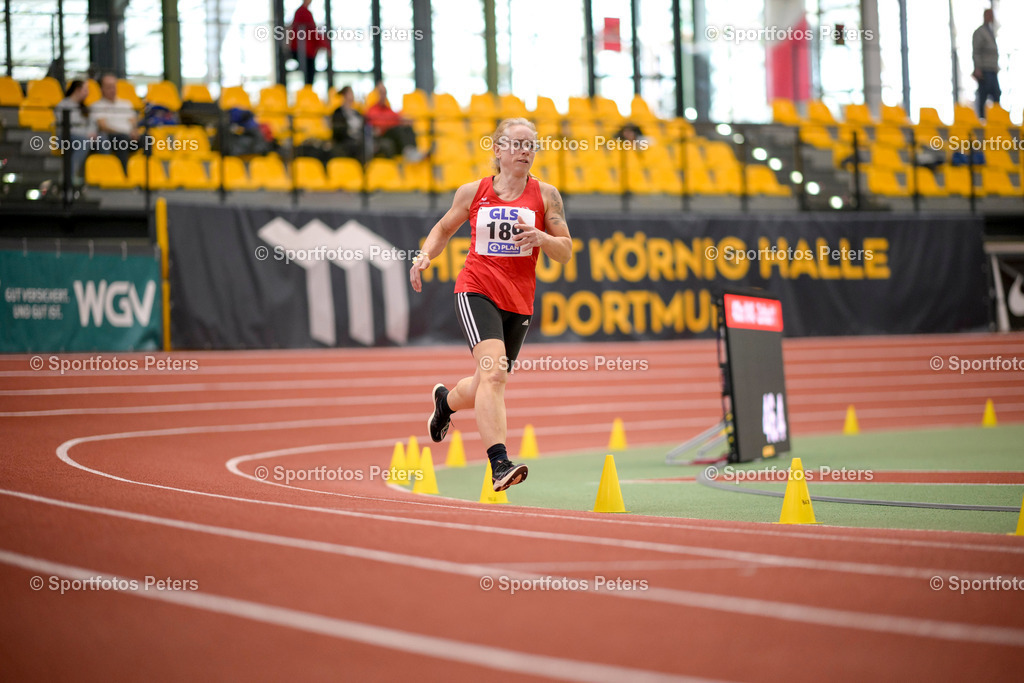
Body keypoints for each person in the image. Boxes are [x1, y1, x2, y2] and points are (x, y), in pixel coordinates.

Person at [410, 118, 573, 492]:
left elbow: (565, 252)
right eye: (516, 144)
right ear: (497, 149)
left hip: (519, 300)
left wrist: (541, 237)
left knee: (486, 381)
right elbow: (443, 229)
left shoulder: (547, 196)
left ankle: (445, 404)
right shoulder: (473, 192)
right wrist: (424, 257)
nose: (524, 152)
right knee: (495, 373)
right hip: (476, 288)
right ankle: (500, 463)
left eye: (530, 145)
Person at [364, 82, 427, 162]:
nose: (383, 95)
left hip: (393, 135)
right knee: (398, 129)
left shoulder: (388, 109)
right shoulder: (372, 110)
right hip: (382, 136)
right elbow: (376, 124)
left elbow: (397, 117)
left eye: (385, 93)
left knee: (407, 128)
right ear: (376, 94)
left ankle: (412, 151)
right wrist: (391, 122)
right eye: (381, 93)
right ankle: (409, 152)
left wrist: (404, 120)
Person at [90, 73, 139, 170]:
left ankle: (145, 175)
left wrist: (134, 131)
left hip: (129, 136)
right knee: (122, 139)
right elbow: (103, 126)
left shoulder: (125, 104)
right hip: (111, 137)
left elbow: (133, 122)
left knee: (147, 139)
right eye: (108, 87)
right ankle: (122, 174)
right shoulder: (97, 106)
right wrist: (124, 133)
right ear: (101, 89)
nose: (112, 90)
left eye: (114, 86)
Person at [54, 80, 96, 185]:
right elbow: (67, 127)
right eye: (85, 90)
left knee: (103, 139)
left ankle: (101, 175)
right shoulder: (63, 105)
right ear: (77, 90)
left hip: (83, 137)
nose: (87, 93)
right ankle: (69, 175)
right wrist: (86, 135)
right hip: (64, 137)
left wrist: (91, 132)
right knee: (84, 142)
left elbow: (92, 124)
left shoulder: (85, 108)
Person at [289, 0, 330, 87]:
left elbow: (313, 32)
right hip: (304, 50)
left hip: (304, 49)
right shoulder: (303, 12)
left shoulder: (301, 12)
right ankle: (307, 91)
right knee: (309, 74)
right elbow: (313, 32)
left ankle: (308, 91)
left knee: (309, 73)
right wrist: (326, 46)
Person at [972, 8, 1000, 120]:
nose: (991, 17)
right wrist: (977, 68)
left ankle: (996, 118)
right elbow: (976, 51)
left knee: (996, 94)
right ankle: (982, 119)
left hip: (992, 69)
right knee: (983, 96)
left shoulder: (991, 31)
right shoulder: (980, 32)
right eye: (990, 15)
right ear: (985, 16)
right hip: (984, 69)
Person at [331, 85, 368, 162]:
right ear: (344, 95)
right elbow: (337, 131)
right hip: (345, 141)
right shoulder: (337, 112)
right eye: (350, 93)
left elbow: (363, 127)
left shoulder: (357, 113)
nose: (352, 95)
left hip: (358, 141)